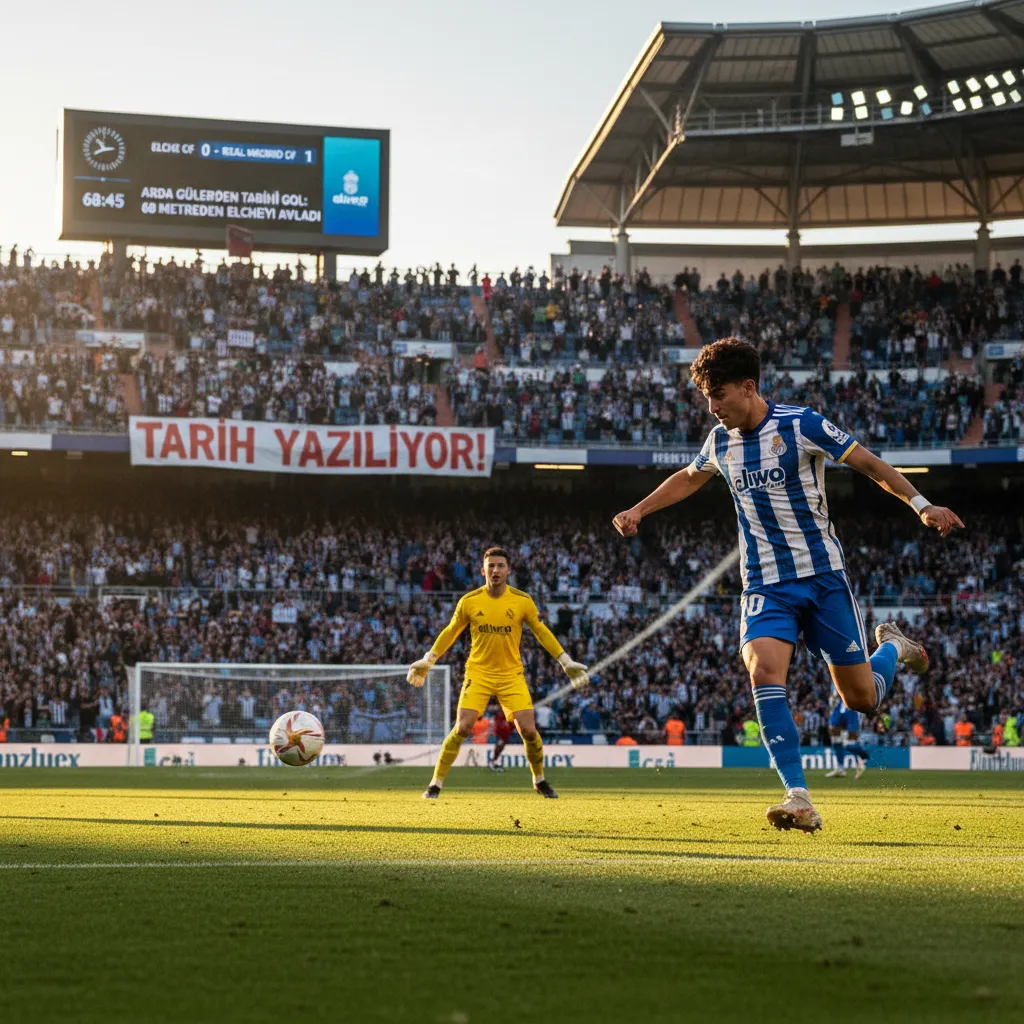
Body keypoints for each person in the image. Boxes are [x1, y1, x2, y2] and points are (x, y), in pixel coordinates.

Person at [613, 337, 963, 832]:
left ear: (749, 387)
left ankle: (893, 650)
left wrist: (921, 505)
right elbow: (689, 478)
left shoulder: (802, 425)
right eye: (707, 398)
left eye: (720, 395)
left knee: (860, 700)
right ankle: (799, 796)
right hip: (765, 584)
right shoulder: (720, 442)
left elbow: (868, 464)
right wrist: (639, 510)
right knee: (762, 670)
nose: (713, 408)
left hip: (822, 579)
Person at [408, 547, 588, 799]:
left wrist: (565, 660)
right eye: (491, 566)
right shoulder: (470, 601)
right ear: (483, 571)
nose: (495, 570)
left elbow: (540, 631)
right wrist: (429, 659)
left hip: (510, 675)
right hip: (478, 673)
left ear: (508, 570)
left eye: (500, 566)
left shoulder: (522, 600)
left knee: (528, 730)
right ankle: (435, 784)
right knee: (463, 727)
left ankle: (539, 780)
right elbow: (450, 631)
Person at [825, 699, 870, 780]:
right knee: (834, 733)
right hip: (840, 702)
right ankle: (840, 768)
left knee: (849, 743)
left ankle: (864, 755)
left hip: (853, 701)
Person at [489, 699, 514, 771]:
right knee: (500, 745)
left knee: (501, 747)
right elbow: (498, 724)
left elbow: (512, 725)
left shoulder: (507, 716)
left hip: (505, 734)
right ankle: (493, 761)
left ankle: (494, 760)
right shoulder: (500, 716)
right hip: (501, 734)